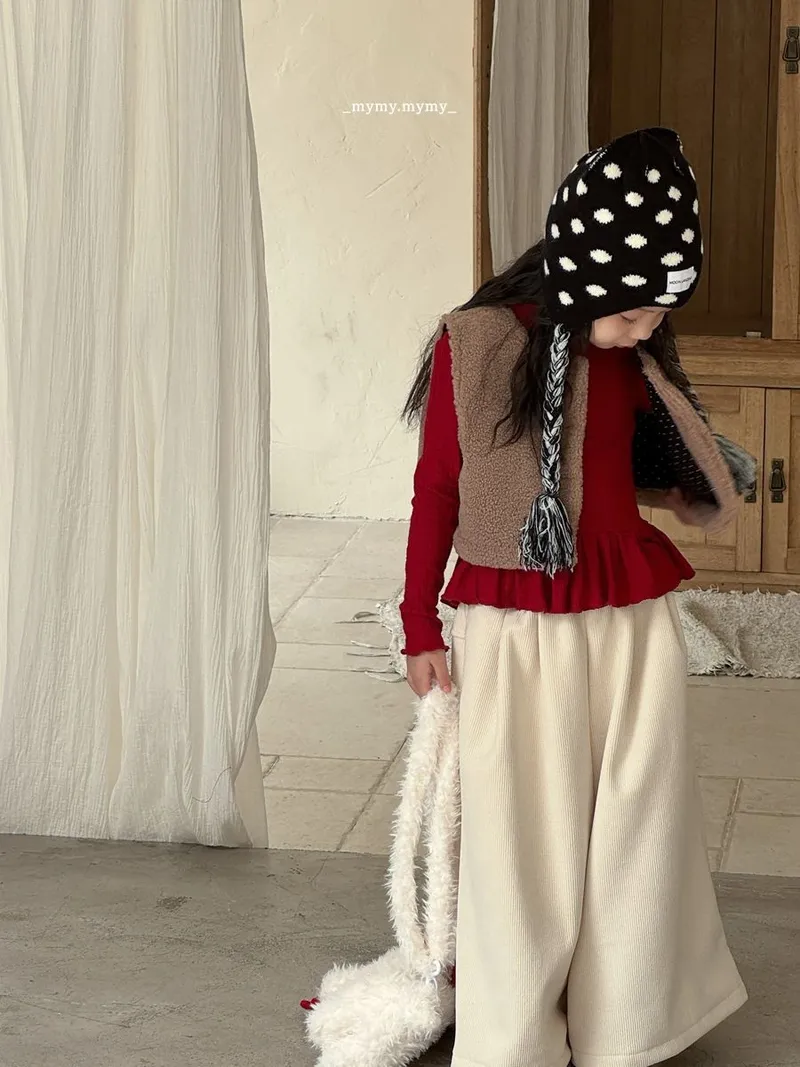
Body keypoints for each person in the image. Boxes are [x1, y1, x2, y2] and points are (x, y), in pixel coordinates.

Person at [399, 129, 750, 1067]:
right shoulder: (478, 346)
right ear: (587, 280)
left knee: (640, 819)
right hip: (515, 631)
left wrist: (690, 479)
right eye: (633, 313)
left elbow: (621, 462)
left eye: (656, 315)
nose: (645, 331)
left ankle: (627, 1024)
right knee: (524, 834)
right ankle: (514, 1034)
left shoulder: (632, 354)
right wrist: (418, 621)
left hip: (628, 622)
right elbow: (440, 491)